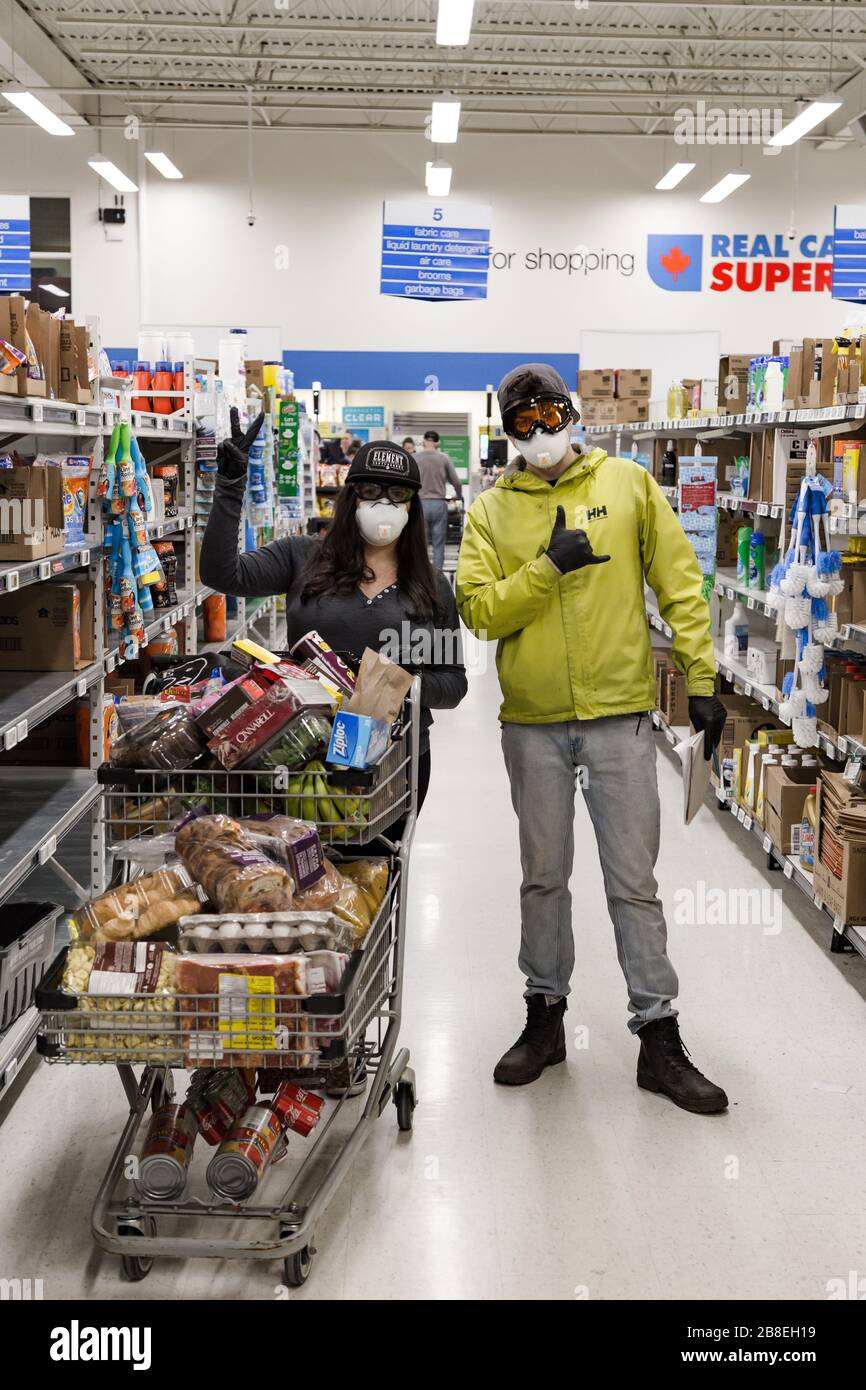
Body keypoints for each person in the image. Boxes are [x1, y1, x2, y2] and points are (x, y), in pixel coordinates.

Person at [456, 363, 728, 1114]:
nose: (540, 433)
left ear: (570, 413)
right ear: (505, 432)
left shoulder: (629, 485)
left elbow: (681, 583)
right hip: (533, 723)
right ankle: (544, 1018)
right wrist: (547, 568)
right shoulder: (490, 512)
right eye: (522, 422)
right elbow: (480, 612)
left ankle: (659, 1036)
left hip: (619, 717)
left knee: (633, 882)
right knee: (543, 877)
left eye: (550, 415)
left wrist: (701, 681)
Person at [201, 413, 468, 819]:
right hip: (298, 753)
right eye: (372, 491)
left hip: (395, 755)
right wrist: (231, 486)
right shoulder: (301, 557)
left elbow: (453, 684)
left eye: (398, 494)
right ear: (351, 498)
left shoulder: (432, 586)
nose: (385, 504)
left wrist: (389, 684)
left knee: (380, 872)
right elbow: (222, 573)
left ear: (412, 506)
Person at [415, 429, 464, 571]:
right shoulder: (444, 458)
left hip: (420, 505)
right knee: (438, 543)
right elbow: (457, 482)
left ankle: (420, 575)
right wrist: (458, 497)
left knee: (420, 543)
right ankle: (437, 578)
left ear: (424, 441)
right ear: (438, 443)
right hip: (438, 504)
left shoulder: (416, 458)